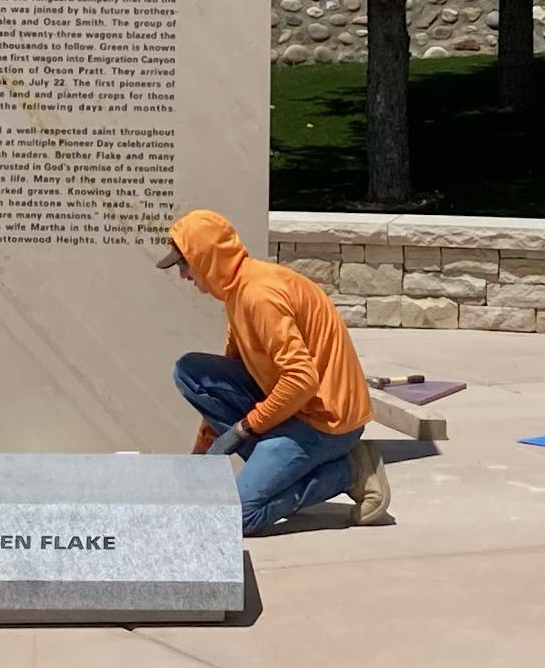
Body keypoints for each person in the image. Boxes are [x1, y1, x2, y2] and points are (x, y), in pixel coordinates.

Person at [156, 210, 390, 534]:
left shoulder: (259, 296)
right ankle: (281, 467)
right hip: (297, 408)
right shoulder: (238, 292)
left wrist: (244, 429)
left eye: (184, 263)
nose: (183, 274)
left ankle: (351, 470)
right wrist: (203, 451)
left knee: (235, 519)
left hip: (327, 421)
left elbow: (301, 380)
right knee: (190, 371)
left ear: (207, 258)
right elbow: (226, 381)